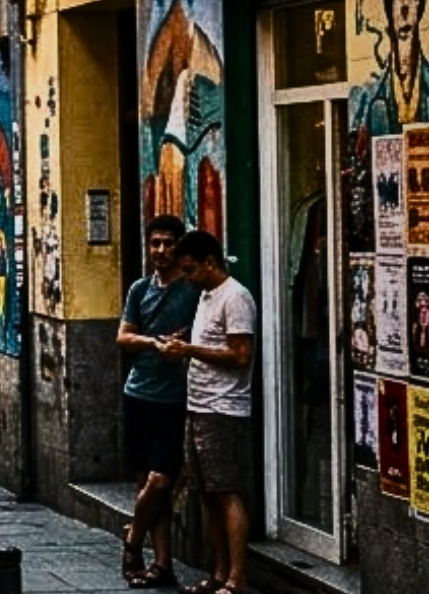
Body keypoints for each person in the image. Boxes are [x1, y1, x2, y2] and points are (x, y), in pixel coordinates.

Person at [160, 231, 258, 594]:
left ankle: (237, 577)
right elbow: (212, 339)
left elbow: (241, 355)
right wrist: (186, 340)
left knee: (227, 491)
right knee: (207, 494)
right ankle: (219, 572)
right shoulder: (205, 295)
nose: (186, 277)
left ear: (210, 263)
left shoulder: (236, 297)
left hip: (223, 408)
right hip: (198, 405)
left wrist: (189, 351)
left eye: (190, 269)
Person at [113, 215, 198, 589]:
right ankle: (162, 565)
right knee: (145, 483)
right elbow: (123, 338)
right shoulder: (139, 290)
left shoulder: (193, 290)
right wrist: (154, 342)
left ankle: (132, 539)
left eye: (168, 243)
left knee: (161, 481)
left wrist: (186, 342)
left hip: (176, 398)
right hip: (138, 394)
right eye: (155, 243)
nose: (161, 250)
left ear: (180, 247)